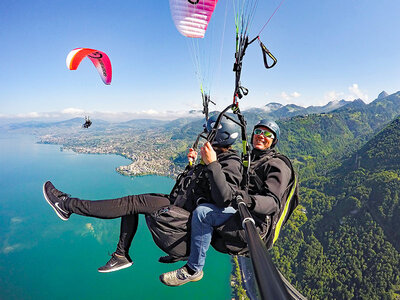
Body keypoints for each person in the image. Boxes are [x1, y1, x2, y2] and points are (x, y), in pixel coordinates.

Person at [43, 116, 242, 275]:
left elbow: (224, 199)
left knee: (132, 203)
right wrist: (193, 165)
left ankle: (66, 205)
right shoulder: (216, 157)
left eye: (211, 131)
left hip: (184, 231)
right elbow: (200, 189)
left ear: (221, 135)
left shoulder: (230, 162)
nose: (206, 134)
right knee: (132, 203)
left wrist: (212, 164)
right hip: (181, 216)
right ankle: (121, 254)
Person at [160, 119, 294, 286]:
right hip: (241, 208)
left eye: (268, 134)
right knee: (199, 199)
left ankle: (194, 269)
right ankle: (182, 251)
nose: (261, 136)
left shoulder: (277, 165)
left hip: (255, 223)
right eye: (258, 132)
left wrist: (247, 201)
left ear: (274, 141)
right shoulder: (251, 158)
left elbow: (273, 203)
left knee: (203, 213)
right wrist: (195, 163)